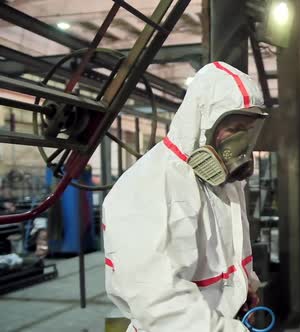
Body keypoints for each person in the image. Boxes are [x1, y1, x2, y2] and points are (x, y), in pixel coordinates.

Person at [102, 61, 268, 332]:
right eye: (234, 128)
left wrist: (244, 285)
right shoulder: (146, 188)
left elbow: (230, 251)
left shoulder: (225, 182)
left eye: (248, 131)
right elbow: (159, 307)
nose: (242, 145)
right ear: (202, 121)